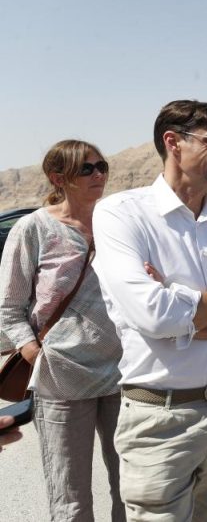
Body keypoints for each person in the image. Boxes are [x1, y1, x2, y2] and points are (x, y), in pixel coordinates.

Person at [92, 100, 207, 522]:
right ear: (173, 142)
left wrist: (180, 302)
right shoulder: (122, 214)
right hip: (162, 417)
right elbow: (154, 316)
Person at [0, 140, 124, 521]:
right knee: (70, 498)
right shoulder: (33, 228)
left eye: (102, 166)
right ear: (58, 178)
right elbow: (8, 308)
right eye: (87, 169)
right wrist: (34, 352)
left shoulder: (116, 224)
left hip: (123, 375)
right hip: (60, 380)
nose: (99, 174)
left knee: (133, 489)